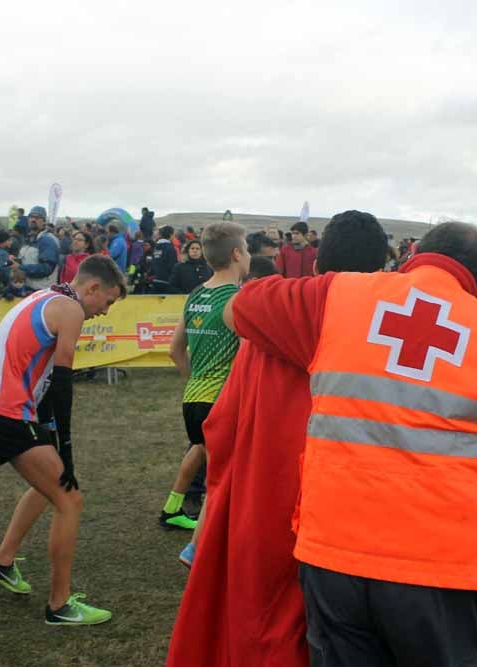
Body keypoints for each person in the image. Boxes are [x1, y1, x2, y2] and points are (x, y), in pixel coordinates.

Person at [218, 220, 477, 667]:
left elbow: (237, 309)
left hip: (335, 552)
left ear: (412, 255)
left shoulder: (338, 296)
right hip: (444, 562)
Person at [167, 210, 390, 667]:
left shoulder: (261, 325)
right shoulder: (386, 341)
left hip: (268, 493)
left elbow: (223, 428)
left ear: (313, 267)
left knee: (268, 622)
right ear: (383, 273)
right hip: (355, 510)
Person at [0, 255, 126, 626]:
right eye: (107, 302)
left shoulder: (41, 296)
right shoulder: (70, 309)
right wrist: (67, 450)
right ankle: (59, 606)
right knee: (69, 499)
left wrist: (57, 442)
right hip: (6, 414)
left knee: (47, 487)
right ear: (92, 288)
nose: (104, 312)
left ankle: (3, 562)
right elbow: (61, 384)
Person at [157, 223, 249, 545]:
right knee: (221, 478)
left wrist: (194, 379)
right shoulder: (237, 299)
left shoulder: (196, 293)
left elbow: (174, 350)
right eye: (247, 248)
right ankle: (202, 547)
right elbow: (247, 355)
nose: (248, 255)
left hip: (194, 396)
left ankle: (172, 508)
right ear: (237, 254)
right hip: (221, 401)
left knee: (197, 449)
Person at [17, 206, 59, 291]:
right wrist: (15, 261)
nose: (33, 220)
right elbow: (26, 260)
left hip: (42, 291)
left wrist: (21, 268)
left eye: (37, 217)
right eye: (31, 217)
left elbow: (46, 268)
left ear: (44, 221)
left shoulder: (48, 240)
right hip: (28, 289)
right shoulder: (28, 238)